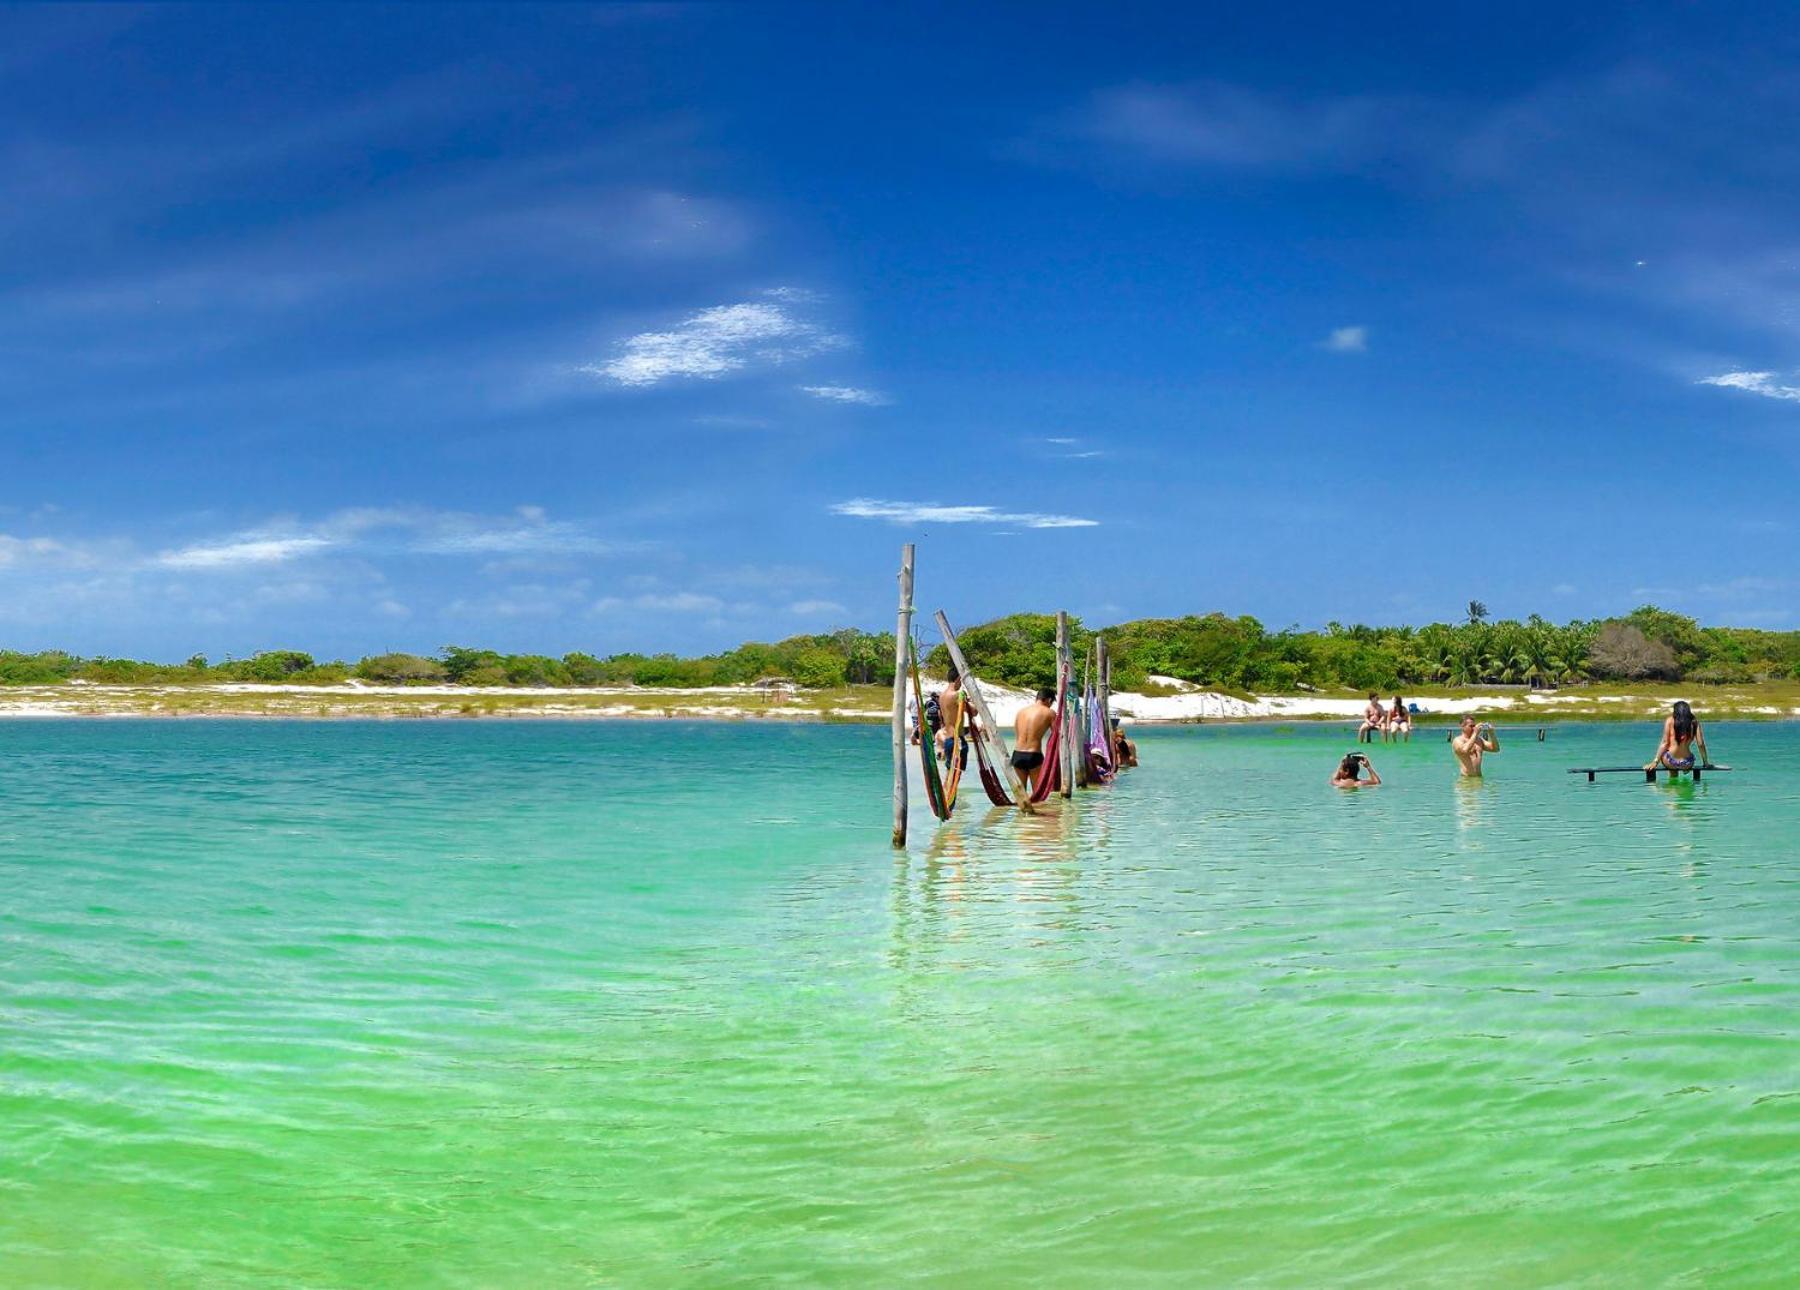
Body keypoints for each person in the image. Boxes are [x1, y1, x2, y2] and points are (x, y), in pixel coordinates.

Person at [1012, 688, 1057, 790]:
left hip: (1017, 754)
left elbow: (1017, 732)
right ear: (1049, 700)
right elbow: (1057, 735)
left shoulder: (1021, 712)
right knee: (1038, 795)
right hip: (1034, 755)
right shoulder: (1049, 713)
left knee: (1021, 794)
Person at [1646, 700, 1709, 772]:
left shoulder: (1670, 720)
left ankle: (1673, 777)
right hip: (1687, 763)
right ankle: (1685, 775)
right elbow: (1700, 744)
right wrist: (1705, 762)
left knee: (1671, 766)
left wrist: (1655, 761)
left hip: (1670, 761)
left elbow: (1665, 743)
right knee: (1687, 763)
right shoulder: (1694, 722)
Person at [936, 669, 968, 770]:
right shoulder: (957, 695)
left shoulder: (942, 696)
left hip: (948, 740)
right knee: (956, 776)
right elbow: (973, 712)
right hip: (958, 740)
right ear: (958, 679)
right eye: (961, 681)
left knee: (950, 775)